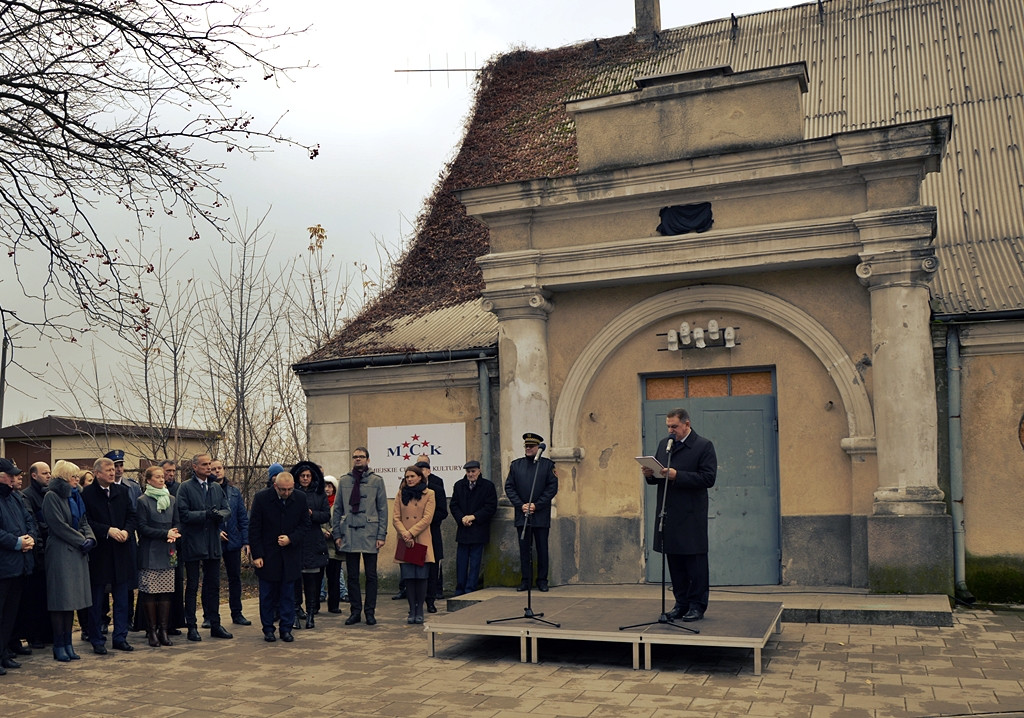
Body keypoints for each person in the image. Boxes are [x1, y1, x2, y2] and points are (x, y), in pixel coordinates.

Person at [642, 407, 718, 622]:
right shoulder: (664, 445)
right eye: (668, 426)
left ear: (687, 424)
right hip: (668, 513)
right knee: (675, 563)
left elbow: (708, 479)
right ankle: (681, 603)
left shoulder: (703, 446)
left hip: (691, 515)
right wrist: (650, 474)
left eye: (674, 426)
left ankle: (697, 605)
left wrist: (678, 475)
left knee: (694, 564)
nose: (670, 430)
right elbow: (659, 477)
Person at [82, 456, 137, 653]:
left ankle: (120, 637)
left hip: (121, 552)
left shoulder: (122, 491)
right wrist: (108, 531)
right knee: (97, 601)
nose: (113, 472)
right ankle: (97, 640)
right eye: (108, 470)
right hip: (100, 554)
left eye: (114, 469)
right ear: (97, 473)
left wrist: (127, 531)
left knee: (122, 599)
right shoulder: (87, 494)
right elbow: (86, 521)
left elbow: (132, 515)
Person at [176, 453, 232, 641]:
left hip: (212, 543)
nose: (209, 467)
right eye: (205, 464)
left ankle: (215, 623)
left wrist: (219, 516)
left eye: (210, 464)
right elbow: (183, 514)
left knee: (213, 585)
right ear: (195, 467)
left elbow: (226, 509)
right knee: (192, 585)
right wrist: (205, 515)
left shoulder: (215, 487)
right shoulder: (185, 488)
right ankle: (191, 625)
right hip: (193, 542)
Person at [41, 461, 93, 662]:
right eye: (73, 476)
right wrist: (81, 540)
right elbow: (58, 526)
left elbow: (84, 521)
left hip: (78, 553)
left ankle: (69, 643)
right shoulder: (51, 496)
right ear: (63, 477)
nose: (76, 480)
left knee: (72, 601)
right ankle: (59, 644)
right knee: (60, 601)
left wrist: (90, 538)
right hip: (61, 552)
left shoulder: (76, 495)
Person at [249, 471, 308, 642]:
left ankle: (286, 628)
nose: (287, 493)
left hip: (290, 555)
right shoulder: (261, 498)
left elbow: (305, 525)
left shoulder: (301, 499)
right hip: (268, 555)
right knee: (267, 595)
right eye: (283, 490)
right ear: (275, 486)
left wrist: (291, 538)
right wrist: (257, 554)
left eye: (290, 489)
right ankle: (268, 628)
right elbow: (254, 529)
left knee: (288, 595)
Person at [332, 447, 387, 626]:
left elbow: (383, 510)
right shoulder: (344, 480)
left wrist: (381, 535)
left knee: (371, 576)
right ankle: (355, 611)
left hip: (370, 533)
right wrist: (337, 534)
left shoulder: (377, 481)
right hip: (349, 532)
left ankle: (369, 612)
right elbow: (338, 508)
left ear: (368, 460)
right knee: (352, 575)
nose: (358, 459)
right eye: (355, 457)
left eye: (361, 457)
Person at [505, 432, 558, 592]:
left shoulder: (548, 465)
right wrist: (521, 505)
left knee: (542, 549)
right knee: (524, 550)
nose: (528, 448)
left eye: (531, 446)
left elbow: (552, 488)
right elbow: (509, 487)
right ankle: (525, 581)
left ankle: (542, 580)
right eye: (526, 446)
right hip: (523, 515)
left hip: (540, 515)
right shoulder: (516, 465)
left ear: (538, 447)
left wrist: (537, 505)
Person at [135, 465, 181, 647]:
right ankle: (152, 631)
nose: (162, 479)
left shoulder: (172, 499)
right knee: (150, 593)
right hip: (150, 551)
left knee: (165, 592)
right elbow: (142, 527)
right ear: (148, 480)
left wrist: (175, 532)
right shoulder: (143, 501)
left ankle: (164, 630)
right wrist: (164, 534)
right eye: (158, 477)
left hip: (168, 550)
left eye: (163, 477)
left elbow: (178, 521)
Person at [0, 458, 36, 675]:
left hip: (19, 565)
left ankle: (4, 653)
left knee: (10, 614)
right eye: (10, 475)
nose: (14, 478)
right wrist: (17, 542)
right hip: (4, 566)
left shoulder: (14, 497)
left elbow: (28, 519)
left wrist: (29, 538)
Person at [393, 466, 436, 624]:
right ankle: (411, 609)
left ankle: (420, 610)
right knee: (409, 577)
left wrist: (411, 533)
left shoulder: (429, 493)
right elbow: (395, 517)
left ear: (420, 477)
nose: (409, 479)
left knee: (421, 577)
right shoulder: (400, 493)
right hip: (405, 540)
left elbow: (427, 518)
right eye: (407, 477)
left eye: (412, 476)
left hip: (420, 539)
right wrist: (405, 534)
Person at [449, 460, 498, 596]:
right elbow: (454, 505)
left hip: (478, 529)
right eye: (468, 472)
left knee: (475, 562)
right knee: (461, 562)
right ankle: (460, 589)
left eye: (473, 471)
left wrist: (474, 517)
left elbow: (490, 507)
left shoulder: (488, 486)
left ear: (479, 471)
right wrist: (462, 518)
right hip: (464, 529)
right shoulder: (459, 485)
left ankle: (470, 589)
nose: (470, 474)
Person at [211, 459, 250, 627]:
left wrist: (246, 540)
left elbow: (242, 517)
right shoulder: (208, 491)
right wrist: (216, 532)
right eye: (213, 469)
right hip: (214, 541)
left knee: (235, 578)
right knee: (212, 580)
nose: (217, 471)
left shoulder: (234, 492)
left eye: (219, 468)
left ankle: (237, 613)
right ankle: (209, 615)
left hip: (233, 541)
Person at [18, 462, 52, 649]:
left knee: (46, 596)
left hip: (48, 552)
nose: (48, 476)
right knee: (34, 597)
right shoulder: (27, 496)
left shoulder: (48, 494)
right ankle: (34, 635)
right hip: (37, 553)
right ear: (34, 475)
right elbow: (35, 523)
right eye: (44, 473)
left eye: (49, 473)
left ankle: (47, 633)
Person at [292, 461, 329, 629]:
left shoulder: (319, 494)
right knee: (295, 579)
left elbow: (326, 515)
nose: (305, 478)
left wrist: (312, 514)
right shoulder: (292, 492)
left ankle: (311, 613)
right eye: (302, 476)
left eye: (308, 476)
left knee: (312, 580)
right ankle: (295, 610)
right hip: (297, 540)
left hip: (314, 540)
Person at [415, 455, 448, 610]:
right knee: (416, 567)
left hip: (432, 532)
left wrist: (427, 520)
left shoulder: (437, 489)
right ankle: (416, 602)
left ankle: (431, 601)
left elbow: (443, 512)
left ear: (428, 471)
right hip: (416, 534)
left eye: (423, 470)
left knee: (433, 568)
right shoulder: (410, 490)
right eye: (418, 470)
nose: (420, 473)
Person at [322, 476, 348, 612]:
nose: (327, 489)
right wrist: (322, 531)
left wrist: (332, 532)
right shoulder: (318, 501)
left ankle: (334, 605)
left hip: (335, 545)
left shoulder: (340, 503)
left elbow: (343, 519)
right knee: (317, 577)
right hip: (320, 545)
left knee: (334, 577)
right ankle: (314, 605)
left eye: (330, 486)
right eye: (325, 486)